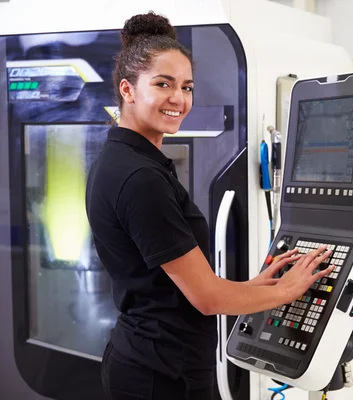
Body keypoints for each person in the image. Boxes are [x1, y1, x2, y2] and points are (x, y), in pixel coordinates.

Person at [85, 11, 334, 400]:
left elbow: (172, 287)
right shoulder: (140, 179)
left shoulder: (131, 160)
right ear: (128, 90)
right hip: (161, 374)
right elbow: (207, 298)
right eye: (163, 84)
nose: (178, 99)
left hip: (152, 359)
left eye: (187, 87)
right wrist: (287, 290)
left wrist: (256, 286)